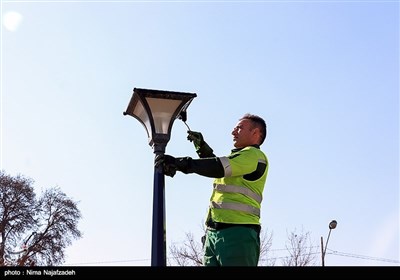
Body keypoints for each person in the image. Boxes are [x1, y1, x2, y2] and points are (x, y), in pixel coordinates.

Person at [155, 113, 269, 266]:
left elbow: (218, 167)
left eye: (239, 128)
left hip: (238, 234)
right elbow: (218, 167)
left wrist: (180, 163)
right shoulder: (239, 158)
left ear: (255, 133)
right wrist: (202, 148)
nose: (233, 132)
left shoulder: (255, 155)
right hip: (214, 234)